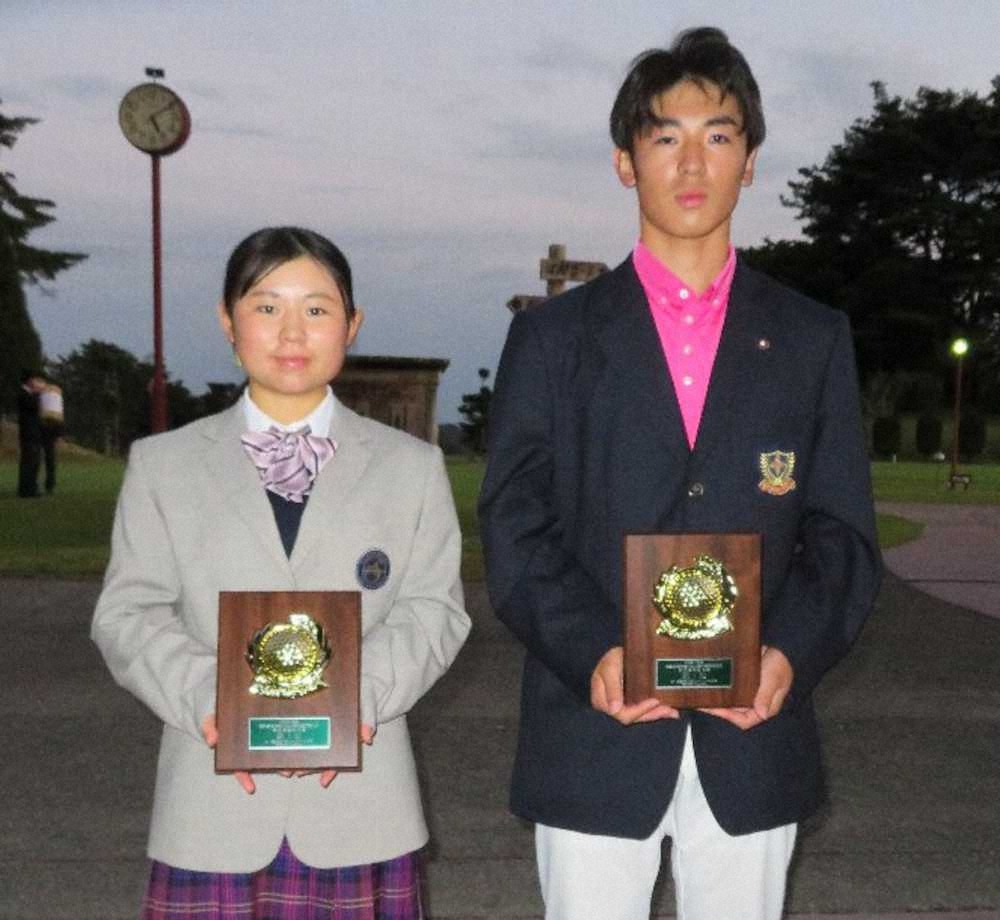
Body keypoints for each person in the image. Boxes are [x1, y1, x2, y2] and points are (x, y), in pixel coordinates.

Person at [479, 27, 881, 920]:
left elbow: (842, 533)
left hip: (754, 738)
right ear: (627, 161)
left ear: (750, 160)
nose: (692, 161)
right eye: (666, 136)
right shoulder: (552, 339)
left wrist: (789, 654)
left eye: (719, 135)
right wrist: (597, 653)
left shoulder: (812, 338)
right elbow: (514, 526)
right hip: (596, 734)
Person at [92, 226, 471, 919]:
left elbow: (434, 610)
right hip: (212, 807)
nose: (291, 331)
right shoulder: (163, 464)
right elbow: (127, 614)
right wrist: (218, 702)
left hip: (360, 810)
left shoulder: (410, 468)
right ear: (227, 320)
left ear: (351, 325)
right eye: (266, 306)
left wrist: (354, 700)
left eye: (317, 309)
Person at [16, 370, 44, 498]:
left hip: (33, 432)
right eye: (34, 380)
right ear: (28, 380)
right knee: (29, 462)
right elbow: (33, 407)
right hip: (29, 432)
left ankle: (30, 487)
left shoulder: (28, 394)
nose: (36, 383)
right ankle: (27, 489)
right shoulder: (24, 394)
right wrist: (38, 394)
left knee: (33, 461)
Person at [39, 377, 65, 494]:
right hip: (47, 430)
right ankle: (49, 485)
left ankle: (49, 485)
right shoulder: (55, 398)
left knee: (49, 460)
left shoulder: (45, 396)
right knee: (49, 460)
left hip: (46, 430)